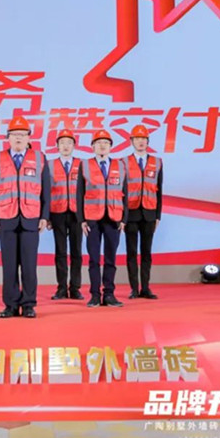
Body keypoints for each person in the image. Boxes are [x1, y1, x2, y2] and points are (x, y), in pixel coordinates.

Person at [0, 115, 50, 318]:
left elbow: (46, 190)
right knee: (9, 265)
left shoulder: (39, 158)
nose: (18, 138)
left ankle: (29, 304)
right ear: (8, 137)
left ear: (29, 137)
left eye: (22, 134)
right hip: (6, 217)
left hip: (31, 217)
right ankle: (11, 305)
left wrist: (45, 216)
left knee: (29, 265)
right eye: (14, 134)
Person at [77, 129, 128, 308]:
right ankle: (94, 295)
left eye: (106, 143)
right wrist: (81, 220)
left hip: (114, 218)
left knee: (110, 258)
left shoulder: (120, 166)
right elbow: (79, 194)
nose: (102, 145)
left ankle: (109, 294)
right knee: (94, 259)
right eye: (98, 143)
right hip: (92, 218)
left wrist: (124, 219)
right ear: (92, 147)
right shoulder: (85, 165)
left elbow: (125, 193)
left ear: (111, 146)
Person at [124, 125, 163, 299]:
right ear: (131, 141)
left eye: (143, 139)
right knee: (132, 252)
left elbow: (159, 190)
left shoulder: (157, 162)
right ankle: (134, 288)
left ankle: (145, 288)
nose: (140, 142)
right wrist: (122, 216)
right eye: (137, 138)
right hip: (131, 213)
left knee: (146, 252)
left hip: (149, 213)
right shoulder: (123, 163)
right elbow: (121, 191)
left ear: (148, 141)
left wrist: (158, 215)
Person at [47, 129, 83, 300]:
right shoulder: (49, 165)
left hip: (77, 214)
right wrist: (47, 216)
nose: (66, 146)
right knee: (60, 252)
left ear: (74, 146)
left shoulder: (82, 165)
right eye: (62, 143)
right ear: (57, 146)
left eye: (69, 143)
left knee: (76, 252)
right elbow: (45, 191)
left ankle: (75, 288)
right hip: (57, 213)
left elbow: (86, 192)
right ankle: (61, 288)